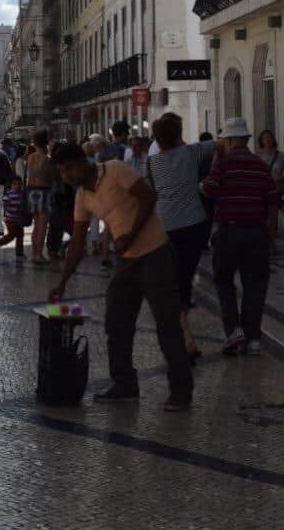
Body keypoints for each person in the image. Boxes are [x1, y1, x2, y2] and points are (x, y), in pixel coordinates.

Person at [49, 141, 192, 411]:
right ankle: (125, 383)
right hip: (126, 262)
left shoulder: (115, 170)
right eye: (62, 172)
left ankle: (181, 390)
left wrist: (130, 235)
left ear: (82, 162)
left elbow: (149, 196)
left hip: (155, 254)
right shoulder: (83, 196)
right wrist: (62, 283)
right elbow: (78, 243)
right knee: (116, 323)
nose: (66, 176)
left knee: (167, 324)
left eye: (69, 169)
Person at [201, 117, 281, 356]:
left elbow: (208, 188)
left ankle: (234, 330)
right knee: (255, 285)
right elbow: (273, 200)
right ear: (246, 139)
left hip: (229, 232)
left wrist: (214, 165)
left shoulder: (223, 164)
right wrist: (271, 233)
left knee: (223, 281)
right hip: (256, 232)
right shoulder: (260, 165)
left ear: (228, 140)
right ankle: (253, 338)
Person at [145, 112, 217, 362]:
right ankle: (187, 337)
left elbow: (150, 193)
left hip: (166, 226)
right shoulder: (192, 152)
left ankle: (186, 338)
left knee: (172, 281)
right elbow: (222, 144)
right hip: (195, 224)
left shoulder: (151, 162)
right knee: (184, 279)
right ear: (178, 134)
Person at [24, 130, 54, 264]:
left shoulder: (30, 158)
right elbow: (51, 178)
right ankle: (39, 255)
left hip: (31, 191)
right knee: (43, 226)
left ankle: (34, 253)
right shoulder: (47, 159)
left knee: (36, 225)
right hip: (44, 191)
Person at [0, 175, 26, 258]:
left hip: (19, 219)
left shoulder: (23, 194)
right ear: (11, 185)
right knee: (12, 234)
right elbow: (4, 203)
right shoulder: (9, 194)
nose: (17, 186)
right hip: (10, 219)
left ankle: (19, 251)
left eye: (19, 184)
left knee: (20, 235)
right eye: (15, 184)